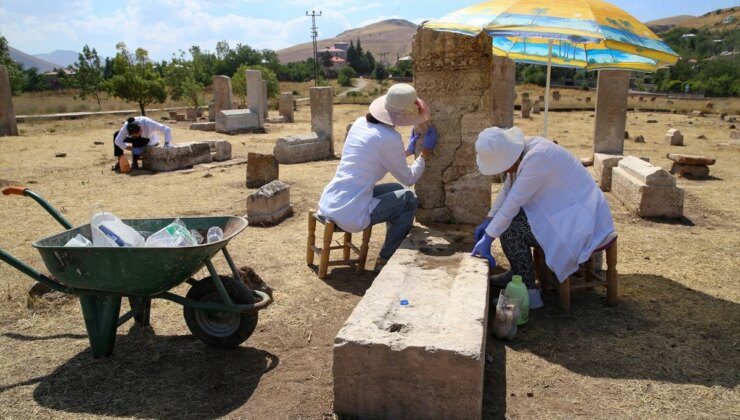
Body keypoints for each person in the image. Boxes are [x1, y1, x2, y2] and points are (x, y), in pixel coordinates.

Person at [470, 126, 615, 308]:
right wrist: (489, 219)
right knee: (508, 222)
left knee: (511, 228)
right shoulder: (524, 150)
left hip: (579, 221)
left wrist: (489, 238)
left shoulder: (537, 158)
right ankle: (519, 273)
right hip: (567, 210)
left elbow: (513, 202)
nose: (506, 171)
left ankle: (529, 294)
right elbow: (508, 188)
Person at [317, 84, 438, 271]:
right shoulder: (389, 138)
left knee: (396, 190)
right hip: (350, 211)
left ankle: (392, 242)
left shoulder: (359, 123)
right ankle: (386, 258)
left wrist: (406, 149)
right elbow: (409, 178)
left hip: (333, 198)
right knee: (409, 198)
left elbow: (373, 155)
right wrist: (425, 154)